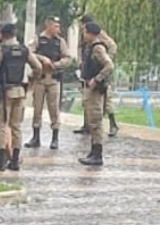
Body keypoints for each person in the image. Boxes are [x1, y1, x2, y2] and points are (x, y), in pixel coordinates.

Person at [0, 23, 41, 170]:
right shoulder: (24, 50)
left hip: (3, 92)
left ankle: (0, 160)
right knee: (16, 126)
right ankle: (14, 160)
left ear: (1, 34)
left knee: (0, 125)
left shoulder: (0, 51)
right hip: (19, 91)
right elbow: (38, 67)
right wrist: (32, 80)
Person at [28, 16, 72, 150]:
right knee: (37, 109)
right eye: (55, 26)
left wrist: (55, 64)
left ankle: (55, 138)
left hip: (54, 79)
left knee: (54, 109)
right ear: (48, 26)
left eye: (59, 26)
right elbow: (29, 53)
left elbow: (68, 58)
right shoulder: (38, 39)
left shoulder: (61, 42)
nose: (58, 29)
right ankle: (35, 137)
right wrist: (42, 59)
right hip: (40, 79)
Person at [78, 21, 115, 167]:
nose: (83, 34)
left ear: (91, 33)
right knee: (92, 121)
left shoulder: (97, 48)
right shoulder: (89, 47)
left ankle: (97, 154)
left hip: (95, 89)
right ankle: (93, 151)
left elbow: (109, 65)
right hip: (88, 86)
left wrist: (97, 79)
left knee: (95, 121)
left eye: (85, 31)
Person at [75, 14, 119, 136]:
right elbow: (81, 49)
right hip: (87, 70)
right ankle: (86, 125)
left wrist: (104, 60)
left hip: (98, 71)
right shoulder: (84, 36)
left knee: (106, 100)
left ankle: (113, 124)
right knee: (86, 98)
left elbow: (112, 46)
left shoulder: (98, 35)